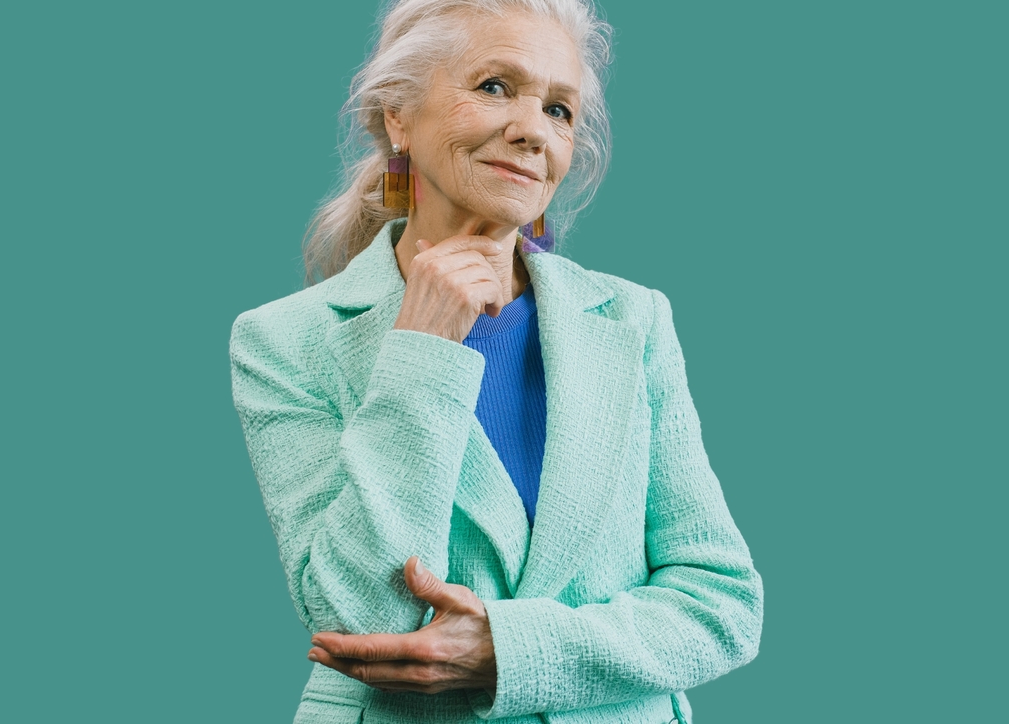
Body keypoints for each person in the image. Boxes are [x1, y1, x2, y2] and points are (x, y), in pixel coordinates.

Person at [230, 0, 763, 722]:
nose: (531, 129)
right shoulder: (284, 339)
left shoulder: (635, 322)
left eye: (560, 110)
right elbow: (356, 615)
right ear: (398, 117)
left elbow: (723, 606)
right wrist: (422, 350)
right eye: (493, 87)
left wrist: (509, 651)